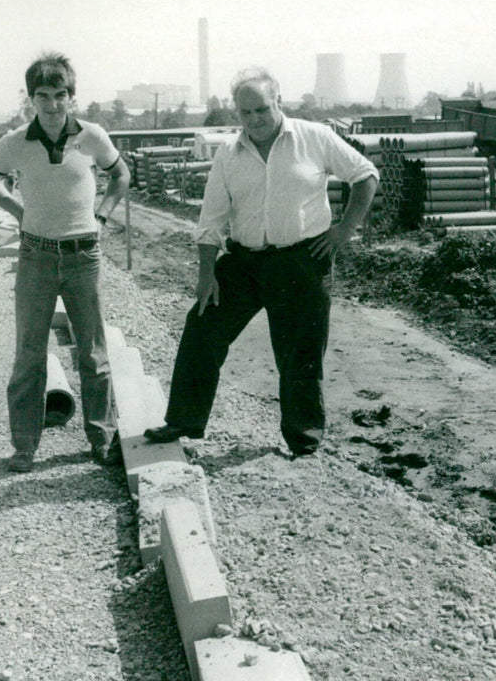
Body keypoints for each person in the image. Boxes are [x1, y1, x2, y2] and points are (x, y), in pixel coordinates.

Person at [144, 67, 378, 457]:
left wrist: (343, 231)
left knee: (300, 353)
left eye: (262, 109)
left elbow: (365, 175)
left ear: (279, 102)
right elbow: (212, 218)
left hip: (302, 262)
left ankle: (304, 441)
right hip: (244, 262)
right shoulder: (228, 153)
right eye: (245, 112)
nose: (254, 119)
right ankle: (183, 420)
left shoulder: (314, 137)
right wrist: (206, 275)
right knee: (202, 327)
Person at [0, 51, 130, 473]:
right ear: (31, 99)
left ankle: (101, 439)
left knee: (94, 352)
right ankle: (24, 446)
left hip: (83, 256)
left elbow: (122, 175)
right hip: (36, 256)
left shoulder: (92, 136)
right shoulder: (15, 142)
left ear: (71, 96)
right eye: (42, 96)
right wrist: (19, 213)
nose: (52, 104)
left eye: (60, 95)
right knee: (29, 352)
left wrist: (101, 216)